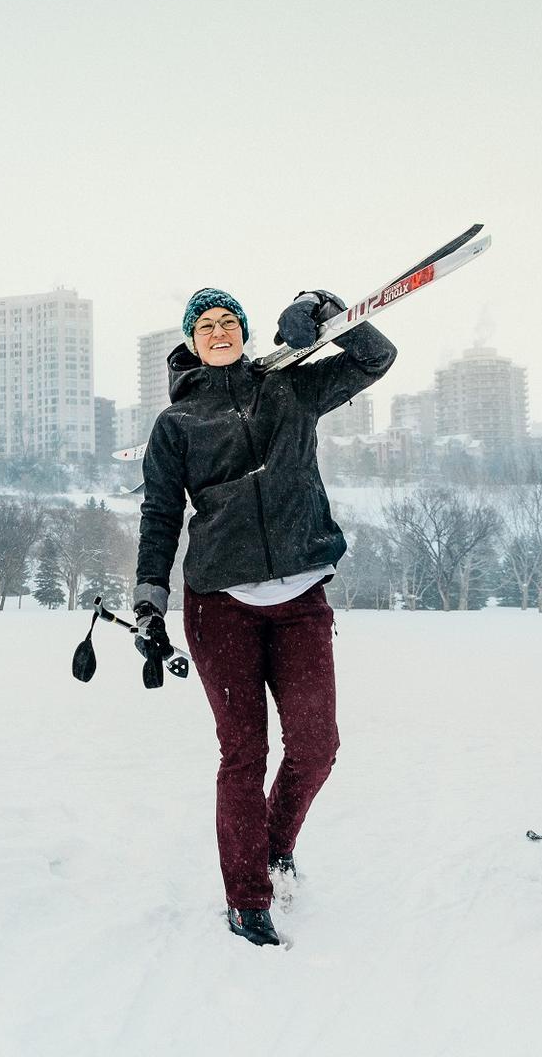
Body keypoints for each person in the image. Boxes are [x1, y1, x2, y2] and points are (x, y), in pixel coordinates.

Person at [133, 286, 395, 946]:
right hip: (220, 605)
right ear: (191, 341)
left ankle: (274, 843)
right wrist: (147, 595)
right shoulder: (176, 425)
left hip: (301, 596)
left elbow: (375, 359)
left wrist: (327, 315)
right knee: (243, 753)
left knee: (316, 746)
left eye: (229, 322)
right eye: (206, 325)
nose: (218, 331)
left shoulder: (292, 390)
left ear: (244, 333)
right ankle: (248, 899)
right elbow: (161, 514)